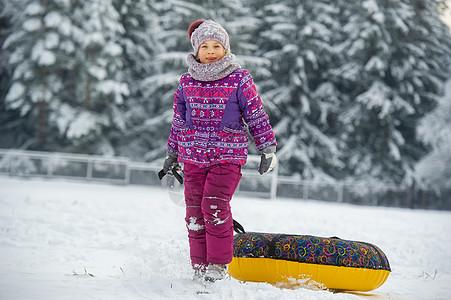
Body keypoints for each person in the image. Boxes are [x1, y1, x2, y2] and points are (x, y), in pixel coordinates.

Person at [162, 20, 277, 282]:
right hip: (192, 158)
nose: (211, 51)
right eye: (205, 46)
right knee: (194, 211)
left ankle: (217, 265)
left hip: (226, 157)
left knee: (213, 204)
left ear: (226, 49)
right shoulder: (186, 81)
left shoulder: (239, 78)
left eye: (217, 45)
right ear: (196, 50)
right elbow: (179, 121)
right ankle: (199, 267)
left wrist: (267, 148)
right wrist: (172, 154)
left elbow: (255, 114)